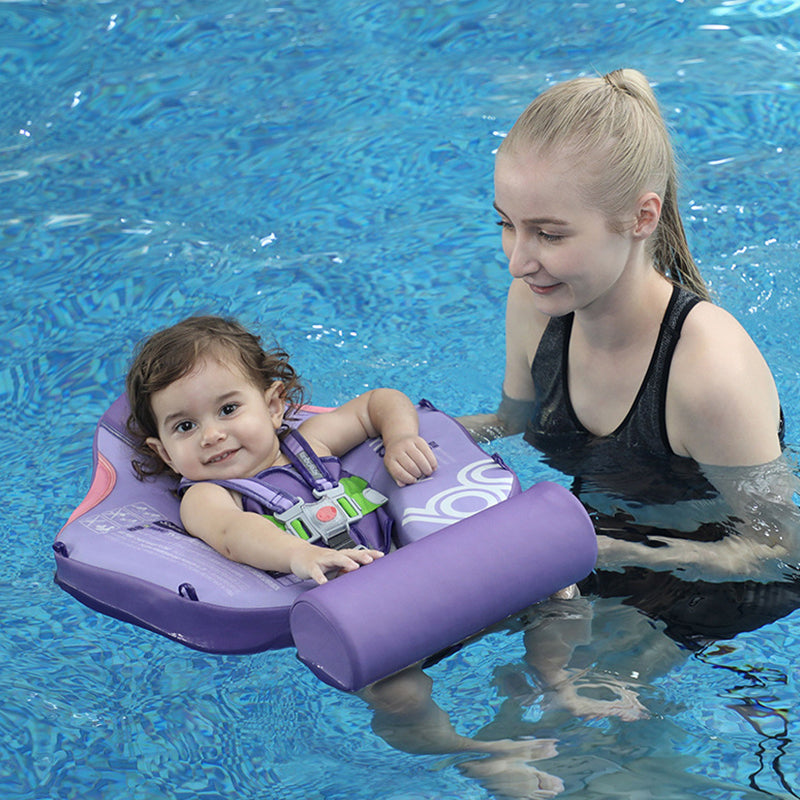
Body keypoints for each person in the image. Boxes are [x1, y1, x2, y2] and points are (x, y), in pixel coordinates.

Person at [457, 68, 800, 720]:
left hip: (706, 578)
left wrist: (608, 550)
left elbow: (784, 554)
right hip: (590, 542)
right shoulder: (536, 307)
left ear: (641, 217)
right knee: (405, 659)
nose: (517, 259)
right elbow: (512, 422)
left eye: (549, 234)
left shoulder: (708, 374)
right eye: (507, 224)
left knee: (581, 735)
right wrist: (408, 434)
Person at [126, 315, 438, 585]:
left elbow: (377, 402)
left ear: (273, 406)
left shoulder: (309, 443)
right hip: (339, 595)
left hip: (404, 557)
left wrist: (401, 437)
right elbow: (233, 534)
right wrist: (301, 554)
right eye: (185, 426)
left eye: (228, 409)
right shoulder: (206, 496)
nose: (211, 435)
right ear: (166, 454)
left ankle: (490, 420)